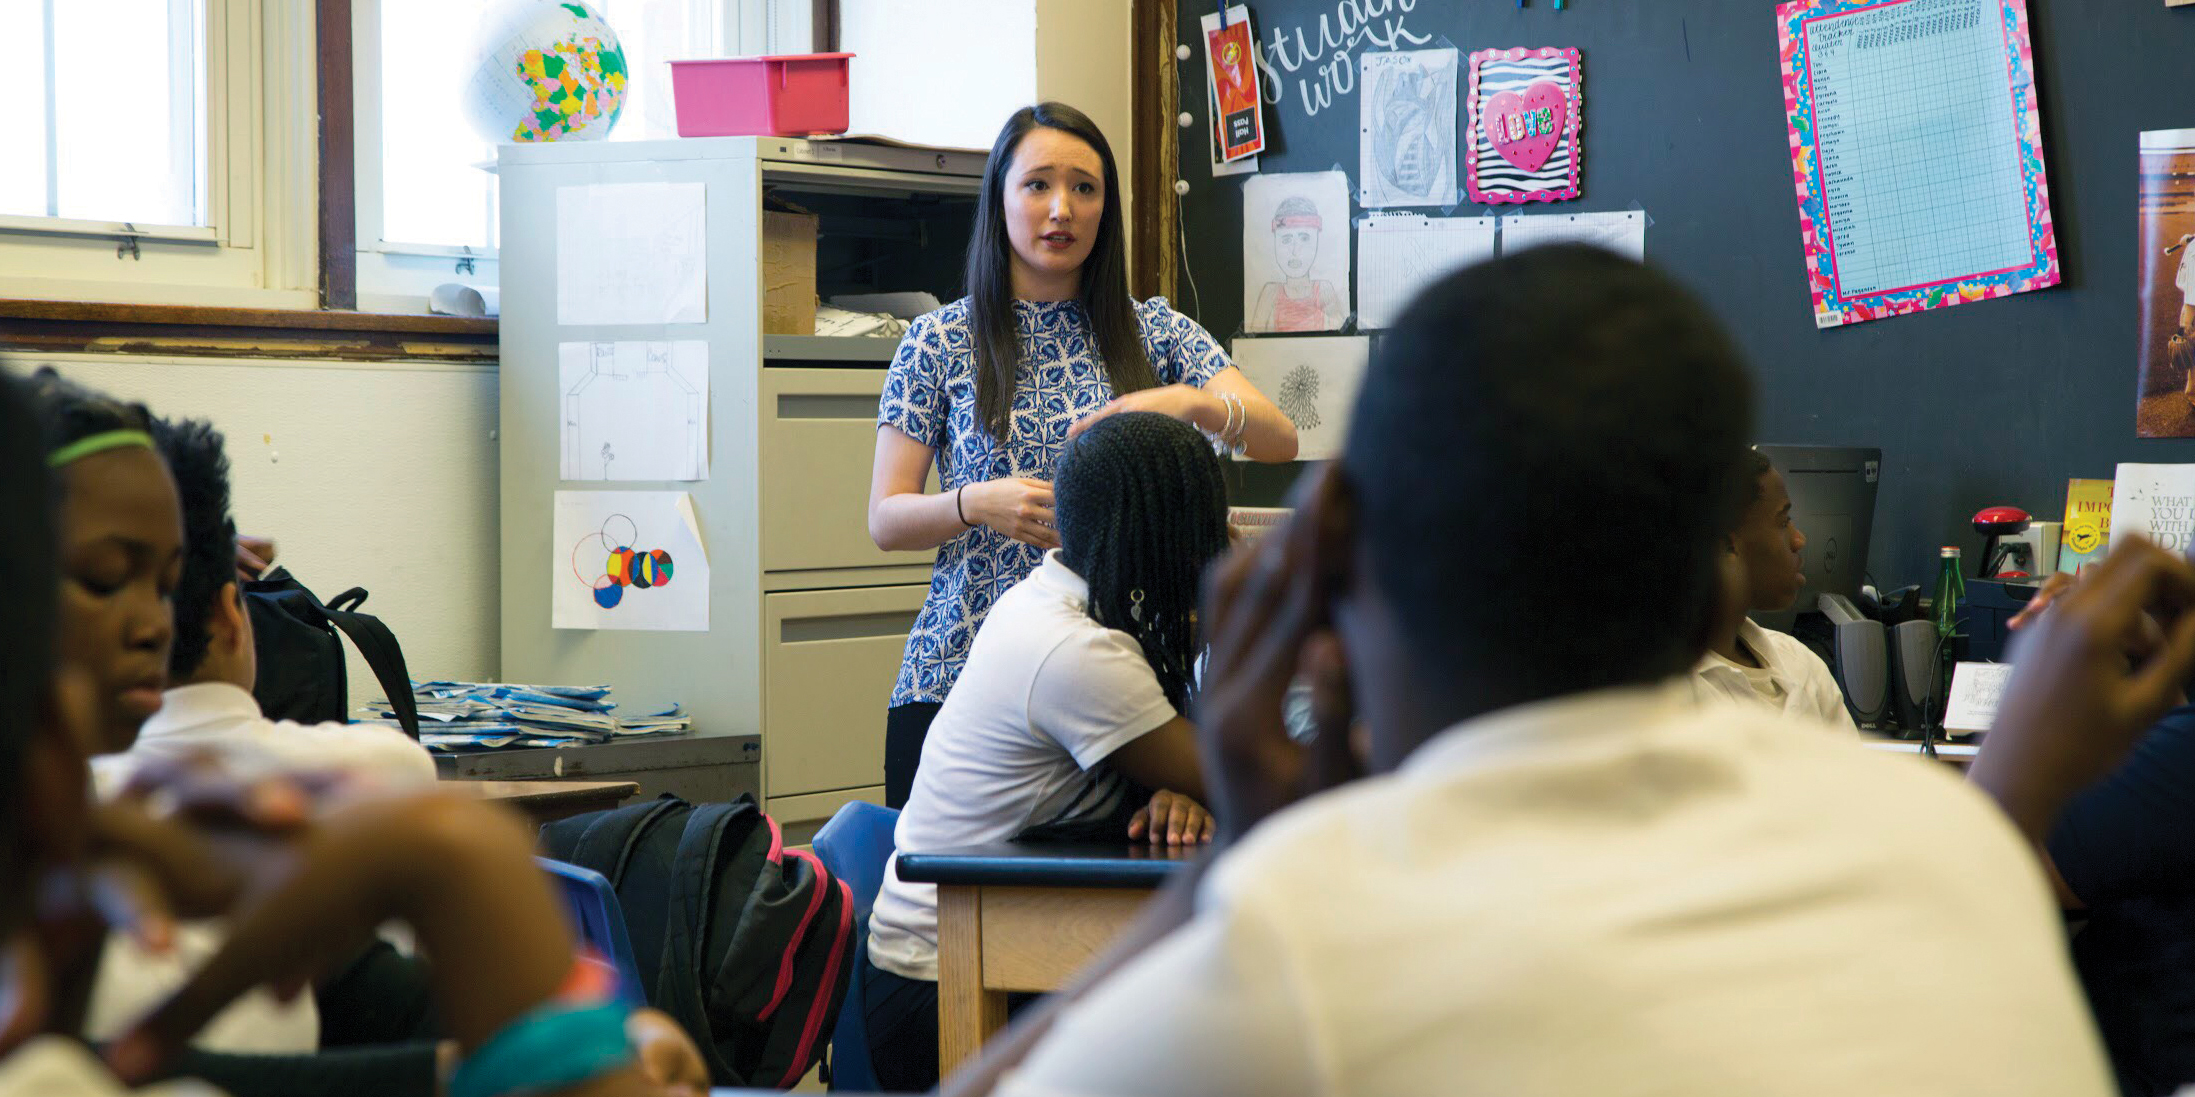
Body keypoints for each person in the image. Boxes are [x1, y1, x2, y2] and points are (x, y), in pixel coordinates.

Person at [946, 247, 2120, 1097]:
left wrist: (1232, 882)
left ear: (1334, 552)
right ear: (1719, 569)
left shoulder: (1300, 956)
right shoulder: (1955, 852)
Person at [868, 101, 1299, 808]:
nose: (1060, 208)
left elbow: (1277, 435)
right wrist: (974, 502)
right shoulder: (939, 339)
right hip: (960, 674)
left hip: (1122, 686)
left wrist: (1189, 403)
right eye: (1037, 184)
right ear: (1000, 198)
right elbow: (885, 519)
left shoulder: (1154, 329)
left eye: (1085, 188)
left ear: (1107, 209)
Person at [864, 412, 1224, 1092]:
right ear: (1170, 533)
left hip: (962, 950)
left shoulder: (1062, 599)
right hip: (936, 985)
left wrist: (1179, 784)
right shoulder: (1073, 649)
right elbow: (1250, 780)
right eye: (1204, 523)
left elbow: (1197, 767)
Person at [1690, 448, 1858, 731]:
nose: (1798, 539)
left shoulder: (1801, 664)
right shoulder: (1668, 695)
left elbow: (1856, 775)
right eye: (1783, 522)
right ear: (1727, 545)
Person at [1247, 196, 1346, 334]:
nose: (1295, 251)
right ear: (1275, 242)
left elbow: (1343, 337)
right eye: (1286, 240)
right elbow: (1252, 343)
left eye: (1304, 238)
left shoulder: (1324, 290)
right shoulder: (1270, 293)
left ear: (1317, 240)